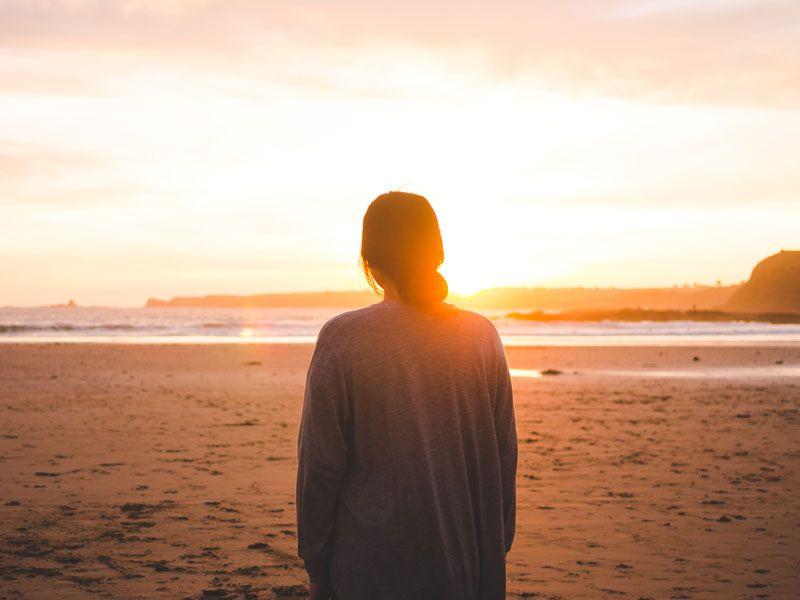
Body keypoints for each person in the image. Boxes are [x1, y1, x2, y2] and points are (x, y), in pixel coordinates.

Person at [296, 192, 517, 599]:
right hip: (466, 563)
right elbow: (504, 456)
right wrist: (493, 548)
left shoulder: (343, 338)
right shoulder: (481, 336)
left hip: (369, 567)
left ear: (370, 262)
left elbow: (321, 466)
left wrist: (317, 564)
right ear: (435, 254)